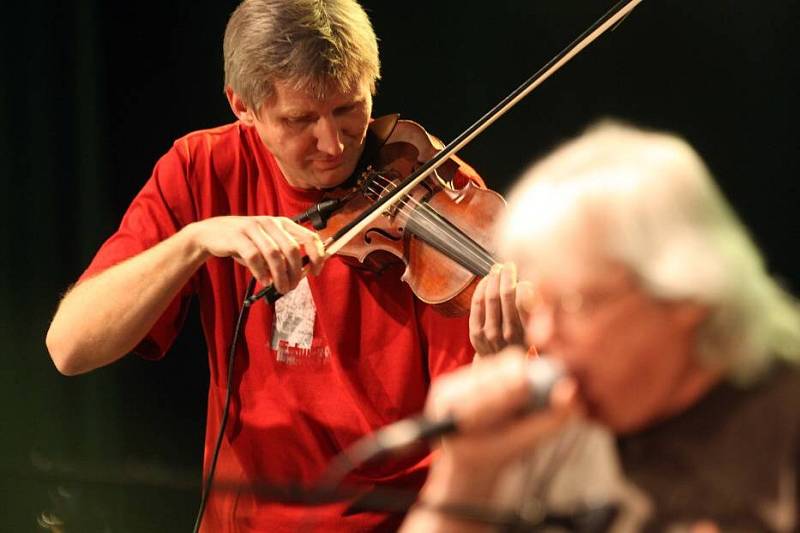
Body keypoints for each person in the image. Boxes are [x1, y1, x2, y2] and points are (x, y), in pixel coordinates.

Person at [45, 1, 524, 530]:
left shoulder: (442, 194)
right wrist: (195, 241)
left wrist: (500, 359)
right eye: (300, 120)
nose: (333, 143)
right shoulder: (202, 168)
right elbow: (70, 347)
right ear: (241, 106)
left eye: (349, 109)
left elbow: (473, 433)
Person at [401, 121, 800, 532]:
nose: (539, 335)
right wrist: (461, 479)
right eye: (541, 304)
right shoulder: (562, 427)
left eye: (575, 303)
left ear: (686, 293)